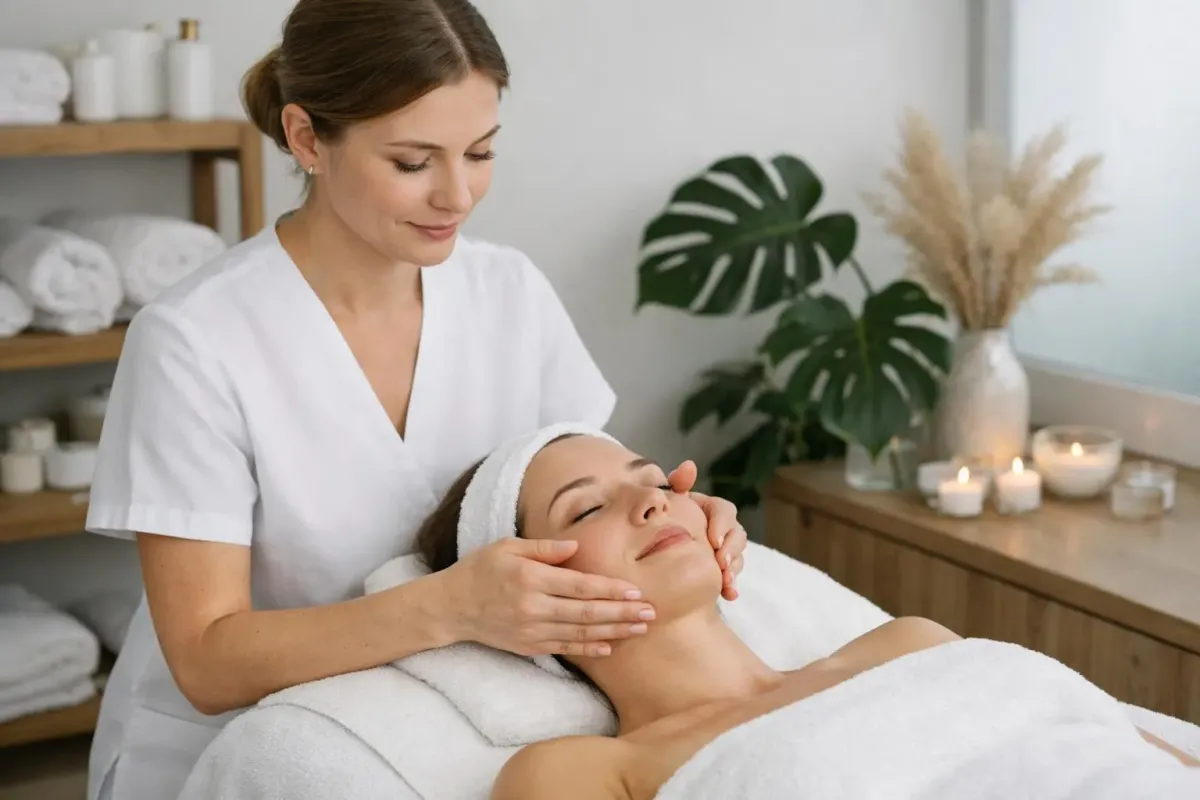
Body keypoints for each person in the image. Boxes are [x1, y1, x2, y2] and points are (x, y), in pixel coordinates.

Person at [81, 2, 748, 798]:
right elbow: (205, 659)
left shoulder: (510, 293)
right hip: (249, 753)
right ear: (305, 139)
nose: (457, 195)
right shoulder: (196, 338)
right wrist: (452, 608)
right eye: (412, 162)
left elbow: (591, 492)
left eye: (481, 152)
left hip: (455, 729)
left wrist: (678, 514)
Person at [412, 429, 1200, 800]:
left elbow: (1122, 746)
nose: (652, 500)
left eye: (653, 479)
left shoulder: (904, 644)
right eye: (585, 510)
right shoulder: (584, 774)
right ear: (522, 591)